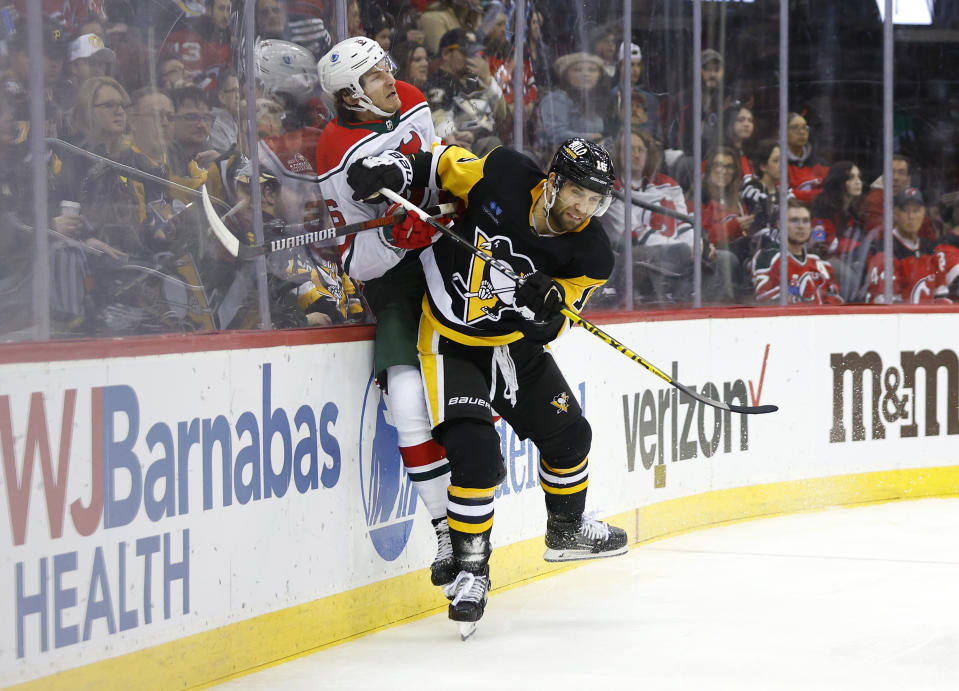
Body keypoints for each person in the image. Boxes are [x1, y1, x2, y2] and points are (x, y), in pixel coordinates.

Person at [344, 136, 629, 631]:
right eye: (577, 193)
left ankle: (565, 530)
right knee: (476, 455)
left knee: (571, 435)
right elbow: (440, 164)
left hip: (514, 345)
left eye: (596, 199)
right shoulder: (503, 174)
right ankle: (472, 570)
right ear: (553, 182)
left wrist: (548, 307)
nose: (584, 208)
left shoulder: (591, 251)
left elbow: (561, 323)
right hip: (450, 340)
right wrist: (394, 169)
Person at [315, 36, 455, 588]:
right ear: (351, 97)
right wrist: (398, 237)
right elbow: (359, 258)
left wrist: (420, 197)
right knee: (405, 397)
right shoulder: (334, 149)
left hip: (446, 265)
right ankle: (445, 529)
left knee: (474, 383)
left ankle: (474, 506)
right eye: (374, 78)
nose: (389, 82)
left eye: (386, 69)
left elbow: (438, 174)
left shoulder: (411, 99)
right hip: (395, 283)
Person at [424, 28, 505, 155]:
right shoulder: (438, 82)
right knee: (494, 144)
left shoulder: (473, 80)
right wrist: (452, 141)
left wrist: (488, 79)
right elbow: (439, 115)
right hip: (465, 150)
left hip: (485, 144)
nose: (469, 58)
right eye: (464, 52)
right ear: (446, 54)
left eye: (473, 53)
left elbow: (502, 114)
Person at [864, 187, 948, 304]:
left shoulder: (931, 250)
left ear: (924, 213)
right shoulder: (884, 250)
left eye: (916, 210)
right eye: (905, 210)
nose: (911, 216)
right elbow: (889, 309)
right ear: (895, 214)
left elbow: (942, 298)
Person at [751, 199, 843, 304]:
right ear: (780, 224)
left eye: (805, 221)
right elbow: (763, 298)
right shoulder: (768, 257)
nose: (801, 226)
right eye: (794, 220)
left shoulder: (817, 260)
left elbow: (835, 298)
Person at [811, 161, 872, 302]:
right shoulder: (822, 207)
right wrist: (856, 245)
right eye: (851, 178)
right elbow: (823, 244)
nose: (858, 182)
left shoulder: (854, 210)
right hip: (827, 261)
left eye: (859, 177)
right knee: (848, 277)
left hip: (851, 259)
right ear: (839, 182)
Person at [535, 52, 611, 153]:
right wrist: (591, 138)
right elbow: (555, 135)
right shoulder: (557, 99)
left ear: (599, 75)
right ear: (565, 75)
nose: (585, 74)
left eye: (592, 70)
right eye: (577, 70)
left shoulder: (597, 101)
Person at [862, 154, 936, 242]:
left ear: (908, 179)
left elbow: (928, 236)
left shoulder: (913, 199)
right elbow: (877, 234)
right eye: (891, 172)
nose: (895, 177)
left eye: (901, 172)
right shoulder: (874, 200)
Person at [162, 0, 234, 89]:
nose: (226, 15)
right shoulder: (184, 38)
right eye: (221, 9)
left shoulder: (228, 42)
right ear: (208, 10)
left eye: (229, 10)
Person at [785, 112, 829, 203]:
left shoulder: (821, 164)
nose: (802, 132)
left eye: (805, 127)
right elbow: (781, 195)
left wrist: (796, 194)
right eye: (795, 128)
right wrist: (817, 195)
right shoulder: (777, 161)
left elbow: (830, 194)